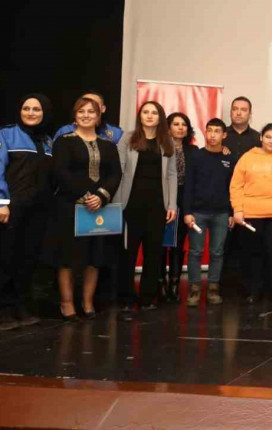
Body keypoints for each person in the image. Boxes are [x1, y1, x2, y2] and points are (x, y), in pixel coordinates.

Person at [45, 97, 121, 320]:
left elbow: (115, 174)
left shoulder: (108, 145)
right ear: (75, 115)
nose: (86, 115)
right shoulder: (64, 142)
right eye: (81, 111)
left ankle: (88, 303)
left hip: (99, 210)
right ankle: (67, 304)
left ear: (99, 117)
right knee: (67, 258)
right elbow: (61, 172)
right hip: (70, 208)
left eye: (91, 112)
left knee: (94, 258)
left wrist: (101, 196)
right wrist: (87, 195)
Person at [114, 101, 178, 311]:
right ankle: (125, 298)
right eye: (145, 112)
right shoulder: (128, 138)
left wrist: (172, 204)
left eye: (154, 113)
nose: (149, 116)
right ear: (140, 116)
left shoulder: (167, 142)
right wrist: (116, 204)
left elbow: (171, 175)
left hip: (157, 206)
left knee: (153, 253)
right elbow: (118, 170)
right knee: (127, 253)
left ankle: (147, 298)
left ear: (160, 117)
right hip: (130, 204)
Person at [0, 94, 54, 329]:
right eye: (26, 108)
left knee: (28, 259)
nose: (31, 113)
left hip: (38, 211)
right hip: (11, 209)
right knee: (5, 258)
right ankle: (3, 311)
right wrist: (1, 203)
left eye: (37, 109)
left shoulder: (48, 141)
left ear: (45, 113)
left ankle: (21, 306)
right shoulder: (6, 135)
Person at [230, 123, 272, 304]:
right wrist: (238, 209)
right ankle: (253, 291)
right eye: (268, 137)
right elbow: (236, 185)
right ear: (261, 137)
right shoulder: (247, 158)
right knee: (253, 253)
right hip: (251, 215)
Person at [182, 119, 237, 307]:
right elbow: (188, 185)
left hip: (221, 214)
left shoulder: (230, 158)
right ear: (205, 132)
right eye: (209, 130)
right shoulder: (196, 156)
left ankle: (213, 289)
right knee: (195, 252)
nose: (212, 135)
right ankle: (194, 290)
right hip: (197, 213)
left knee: (217, 252)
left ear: (224, 135)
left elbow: (233, 188)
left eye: (217, 131)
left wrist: (231, 212)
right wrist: (187, 211)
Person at [158, 112, 198, 303]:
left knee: (177, 244)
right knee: (159, 244)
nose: (180, 127)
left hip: (184, 200)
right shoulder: (159, 147)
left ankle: (174, 285)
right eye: (176, 124)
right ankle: (160, 284)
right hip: (161, 199)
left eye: (184, 124)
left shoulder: (193, 150)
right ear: (168, 127)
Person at [53, 91, 123, 143]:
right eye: (84, 105)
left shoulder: (115, 133)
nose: (86, 115)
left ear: (103, 109)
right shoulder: (65, 131)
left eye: (94, 106)